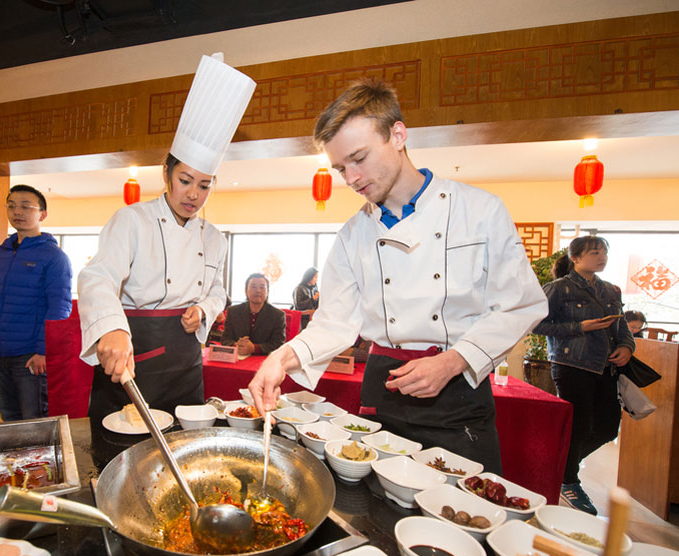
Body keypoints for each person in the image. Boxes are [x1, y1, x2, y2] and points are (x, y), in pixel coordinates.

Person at [248, 80, 547, 473]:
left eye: (359, 158)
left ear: (398, 134)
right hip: (382, 388)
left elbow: (521, 304)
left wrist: (455, 360)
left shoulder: (479, 210)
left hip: (459, 392)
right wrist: (280, 358)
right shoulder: (353, 234)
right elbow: (335, 322)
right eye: (340, 168)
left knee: (463, 517)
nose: (351, 179)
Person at [78, 53, 255, 422]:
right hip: (134, 352)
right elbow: (98, 277)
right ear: (166, 173)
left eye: (204, 185)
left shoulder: (215, 237)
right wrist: (111, 328)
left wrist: (203, 310)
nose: (193, 194)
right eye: (185, 181)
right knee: (123, 452)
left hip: (186, 359)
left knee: (185, 442)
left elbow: (218, 291)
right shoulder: (131, 220)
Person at [533, 236, 634, 515]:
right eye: (594, 252)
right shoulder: (559, 289)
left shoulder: (610, 291)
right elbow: (537, 325)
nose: (601, 257)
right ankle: (568, 480)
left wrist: (627, 346)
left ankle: (560, 466)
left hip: (606, 365)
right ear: (575, 258)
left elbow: (622, 325)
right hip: (572, 363)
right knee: (577, 425)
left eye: (604, 253)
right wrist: (581, 327)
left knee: (607, 426)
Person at [0, 184, 73, 422]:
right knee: (8, 417)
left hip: (30, 355)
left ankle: (39, 462)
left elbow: (59, 308)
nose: (17, 211)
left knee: (34, 419)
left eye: (26, 206)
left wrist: (43, 351)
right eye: (11, 206)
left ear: (42, 214)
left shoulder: (54, 256)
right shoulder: (1, 253)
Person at [222, 273, 286, 356]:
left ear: (267, 291)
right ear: (246, 290)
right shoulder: (233, 311)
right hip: (237, 358)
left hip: (263, 361)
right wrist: (237, 345)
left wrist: (255, 348)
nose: (258, 290)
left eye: (262, 287)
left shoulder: (278, 315)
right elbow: (225, 339)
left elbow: (278, 343)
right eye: (253, 286)